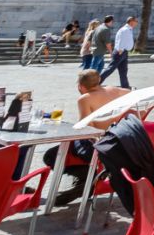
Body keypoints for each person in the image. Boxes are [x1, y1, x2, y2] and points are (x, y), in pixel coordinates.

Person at [45, 70, 130, 204]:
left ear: (81, 86)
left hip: (96, 144)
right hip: (115, 140)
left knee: (50, 155)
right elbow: (132, 93)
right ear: (99, 80)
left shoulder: (85, 98)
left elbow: (86, 128)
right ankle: (86, 181)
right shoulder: (115, 90)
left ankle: (89, 179)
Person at [99, 16, 136, 89]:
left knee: (123, 70)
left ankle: (125, 86)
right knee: (110, 68)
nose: (136, 23)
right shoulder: (125, 30)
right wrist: (121, 49)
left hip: (124, 52)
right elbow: (121, 40)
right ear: (131, 21)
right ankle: (97, 82)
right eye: (136, 21)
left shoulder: (128, 29)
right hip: (120, 51)